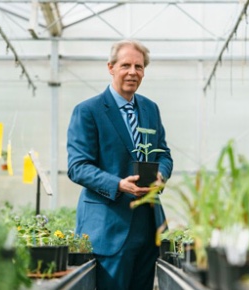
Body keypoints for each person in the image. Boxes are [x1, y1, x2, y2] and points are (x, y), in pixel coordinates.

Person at [66, 39, 173, 290]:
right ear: (111, 67)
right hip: (109, 227)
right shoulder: (88, 111)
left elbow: (164, 153)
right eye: (126, 65)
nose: (133, 72)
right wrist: (119, 184)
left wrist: (161, 175)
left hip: (148, 227)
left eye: (139, 66)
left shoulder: (150, 109)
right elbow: (78, 166)